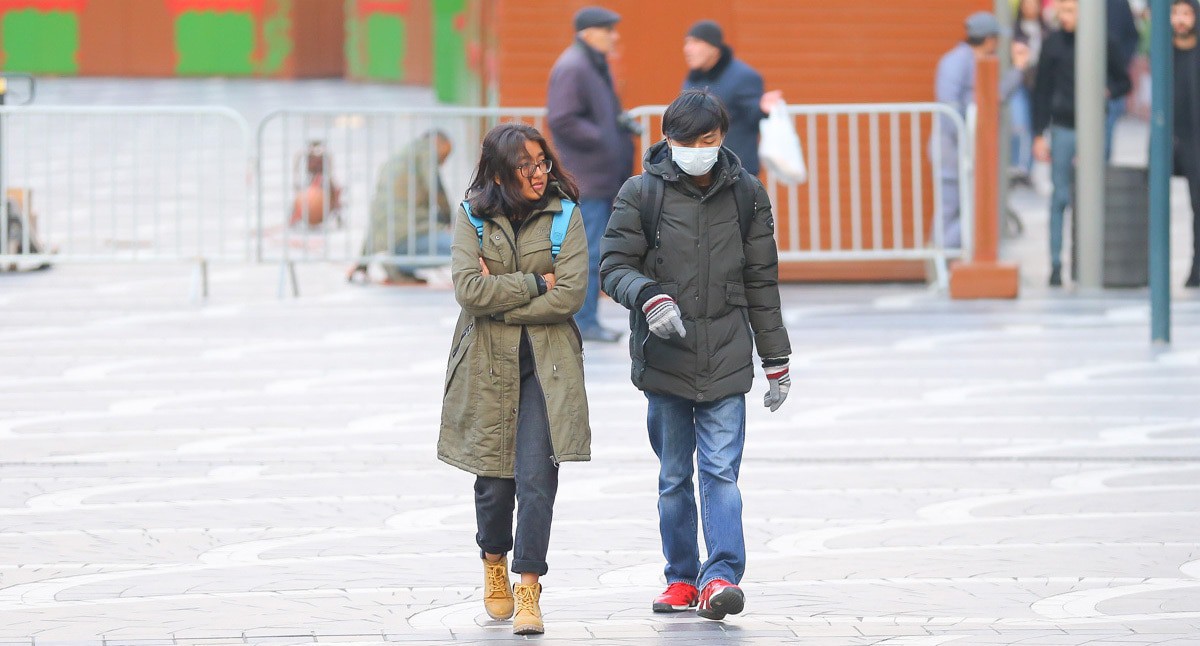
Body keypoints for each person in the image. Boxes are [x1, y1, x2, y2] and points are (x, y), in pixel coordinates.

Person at [600, 90, 791, 621]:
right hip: (665, 358)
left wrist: (776, 358)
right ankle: (682, 577)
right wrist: (648, 295)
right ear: (667, 140)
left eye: (708, 140)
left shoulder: (747, 193)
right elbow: (612, 267)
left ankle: (722, 577)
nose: (698, 150)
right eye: (686, 141)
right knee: (673, 479)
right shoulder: (641, 193)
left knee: (721, 473)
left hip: (727, 355)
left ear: (722, 137)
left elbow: (761, 281)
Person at [438, 123, 591, 635]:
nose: (538, 173)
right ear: (501, 173)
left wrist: (502, 303)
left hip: (548, 368)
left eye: (542, 162)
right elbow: (468, 291)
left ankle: (529, 589)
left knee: (537, 479)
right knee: (494, 483)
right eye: (526, 166)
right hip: (487, 367)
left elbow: (570, 295)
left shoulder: (566, 215)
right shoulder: (472, 217)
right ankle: (493, 560)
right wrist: (533, 284)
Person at [547, 5, 637, 343]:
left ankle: (586, 319)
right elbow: (562, 118)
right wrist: (604, 136)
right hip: (586, 179)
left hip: (597, 177)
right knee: (587, 253)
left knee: (591, 251)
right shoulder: (575, 66)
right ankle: (583, 321)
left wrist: (617, 125)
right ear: (588, 33)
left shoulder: (591, 65)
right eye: (608, 30)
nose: (614, 36)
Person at [1031, 0, 1132, 286]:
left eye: (1071, 11)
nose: (1066, 17)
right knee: (1060, 197)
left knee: (1094, 195)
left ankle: (1091, 261)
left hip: (1095, 128)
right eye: (1062, 11)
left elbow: (1124, 82)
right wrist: (1039, 134)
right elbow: (1041, 90)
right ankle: (1055, 263)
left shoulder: (1103, 40)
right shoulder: (1052, 44)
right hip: (1062, 126)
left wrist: (1108, 91)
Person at [933, 12, 1027, 248]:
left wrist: (1017, 70)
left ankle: (945, 256)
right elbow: (950, 109)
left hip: (967, 152)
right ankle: (940, 258)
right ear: (989, 39)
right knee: (951, 211)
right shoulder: (957, 61)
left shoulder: (979, 64)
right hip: (953, 153)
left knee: (972, 211)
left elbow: (995, 97)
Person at [681, 20, 781, 177]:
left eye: (696, 42)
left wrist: (762, 109)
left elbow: (753, 116)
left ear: (714, 47)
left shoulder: (743, 76)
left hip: (735, 169)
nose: (687, 49)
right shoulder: (693, 78)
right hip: (700, 169)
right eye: (687, 43)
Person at [355, 130, 452, 284]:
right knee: (464, 248)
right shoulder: (426, 150)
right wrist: (450, 217)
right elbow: (436, 188)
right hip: (410, 232)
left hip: (392, 238)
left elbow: (376, 217)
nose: (443, 162)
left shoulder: (396, 160)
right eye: (445, 155)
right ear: (438, 143)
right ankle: (396, 263)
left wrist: (362, 263)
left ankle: (397, 263)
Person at [1172, 0, 1200, 287]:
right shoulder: (1165, 53)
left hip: (1195, 140)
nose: (1180, 20)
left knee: (1198, 205)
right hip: (1169, 137)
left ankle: (1197, 268)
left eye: (1186, 14)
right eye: (1176, 13)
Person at [1107, 0, 1141, 160]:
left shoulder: (1119, 4)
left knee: (1105, 136)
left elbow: (1132, 36)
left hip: (1112, 77)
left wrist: (1121, 60)